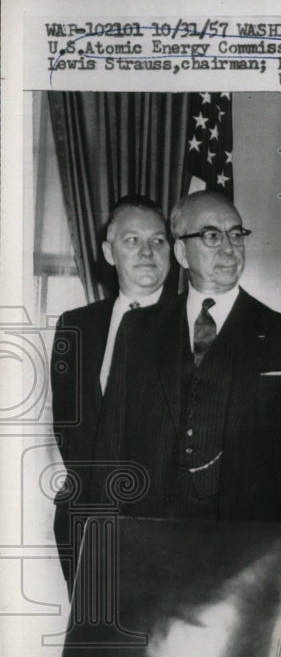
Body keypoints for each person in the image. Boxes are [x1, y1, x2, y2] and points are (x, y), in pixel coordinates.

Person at [92, 190, 281, 523]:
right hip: (151, 534)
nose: (229, 249)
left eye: (236, 235)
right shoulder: (137, 329)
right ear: (181, 252)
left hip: (241, 540)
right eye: (211, 236)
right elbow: (111, 444)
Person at [51, 194, 172, 585]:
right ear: (108, 251)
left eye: (158, 240)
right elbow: (68, 425)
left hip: (166, 527)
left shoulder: (193, 325)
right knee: (96, 642)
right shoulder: (76, 325)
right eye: (132, 241)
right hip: (87, 521)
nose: (147, 252)